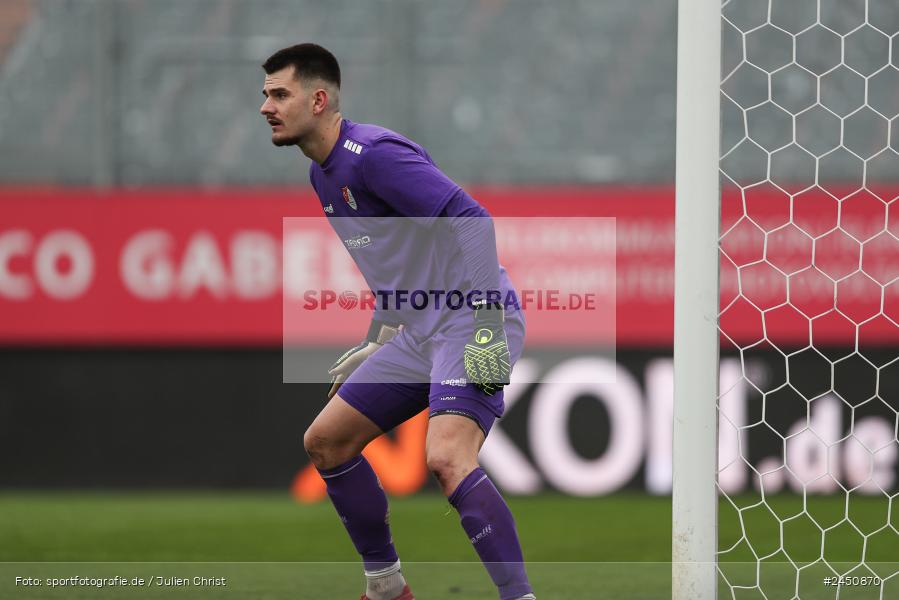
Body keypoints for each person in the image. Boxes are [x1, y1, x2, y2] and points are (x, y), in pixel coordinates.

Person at [260, 43, 535, 600]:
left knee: (447, 458)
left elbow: (472, 219)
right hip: (420, 333)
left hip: (472, 317)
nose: (266, 107)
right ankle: (385, 587)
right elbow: (396, 269)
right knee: (326, 442)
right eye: (266, 95)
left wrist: (485, 321)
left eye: (279, 94)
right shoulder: (321, 175)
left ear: (318, 100)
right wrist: (376, 340)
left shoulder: (373, 156)